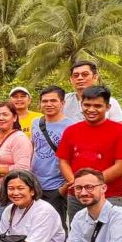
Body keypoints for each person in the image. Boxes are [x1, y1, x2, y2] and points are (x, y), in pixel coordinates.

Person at [56, 85, 122, 222]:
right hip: (76, 196)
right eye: (87, 105)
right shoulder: (71, 130)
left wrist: (88, 185)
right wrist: (77, 185)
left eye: (97, 106)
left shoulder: (121, 132)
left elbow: (121, 167)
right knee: (78, 236)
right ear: (81, 105)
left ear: (108, 107)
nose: (91, 110)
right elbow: (63, 161)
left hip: (108, 195)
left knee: (110, 237)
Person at [0, 102, 33, 232]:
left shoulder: (19, 139)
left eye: (5, 114)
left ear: (15, 117)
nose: (1, 118)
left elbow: (23, 169)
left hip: (10, 193)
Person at [30, 86, 74, 222]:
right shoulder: (36, 122)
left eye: (53, 101)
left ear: (62, 103)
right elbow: (33, 148)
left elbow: (73, 159)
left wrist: (65, 187)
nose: (48, 104)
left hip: (56, 185)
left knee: (56, 224)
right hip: (35, 183)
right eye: (45, 101)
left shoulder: (71, 127)